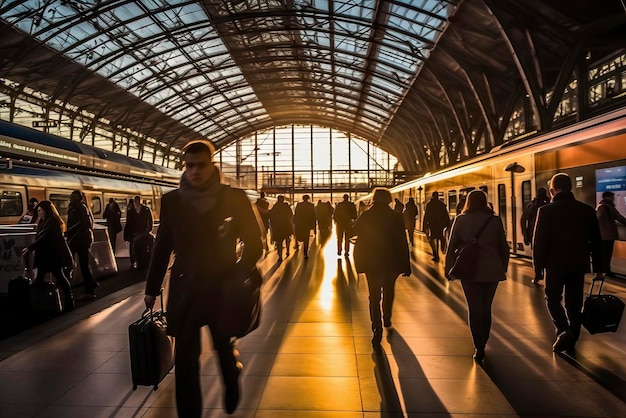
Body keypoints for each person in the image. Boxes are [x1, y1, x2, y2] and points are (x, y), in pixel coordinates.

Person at [144, 140, 263, 417]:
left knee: (222, 345)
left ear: (212, 165)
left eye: (201, 165)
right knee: (186, 361)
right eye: (189, 165)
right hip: (186, 288)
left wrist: (238, 271)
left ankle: (231, 374)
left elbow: (255, 242)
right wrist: (152, 287)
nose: (195, 171)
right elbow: (162, 246)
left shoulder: (234, 198)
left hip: (223, 287)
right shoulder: (172, 201)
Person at [533, 173, 603, 354]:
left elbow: (539, 242)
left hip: (554, 265)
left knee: (552, 298)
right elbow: (596, 241)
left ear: (552, 190)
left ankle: (564, 330)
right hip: (578, 264)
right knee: (574, 303)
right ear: (570, 188)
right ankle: (572, 339)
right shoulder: (586, 210)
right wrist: (600, 268)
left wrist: (538, 268)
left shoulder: (546, 211)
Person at [445, 190, 509, 362]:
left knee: (474, 308)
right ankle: (484, 340)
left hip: (468, 269)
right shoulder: (495, 220)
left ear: (468, 202)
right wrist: (503, 266)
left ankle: (478, 346)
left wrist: (448, 267)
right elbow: (504, 247)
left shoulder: (460, 219)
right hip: (491, 270)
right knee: (486, 307)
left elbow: (451, 247)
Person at [351, 188, 411, 346]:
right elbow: (402, 242)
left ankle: (376, 328)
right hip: (392, 262)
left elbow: (351, 232)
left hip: (371, 262)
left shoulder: (367, 215)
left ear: (374, 199)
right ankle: (387, 318)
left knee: (374, 296)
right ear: (389, 199)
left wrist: (360, 215)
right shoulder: (396, 216)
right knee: (389, 290)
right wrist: (406, 264)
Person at [21, 200, 75, 311]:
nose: (39, 213)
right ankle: (44, 303)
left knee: (58, 277)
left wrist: (30, 248)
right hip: (48, 256)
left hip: (52, 256)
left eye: (40, 210)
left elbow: (44, 237)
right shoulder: (44, 221)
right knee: (52, 278)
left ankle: (67, 301)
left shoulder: (52, 221)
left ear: (46, 210)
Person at [66, 190, 98, 298]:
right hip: (77, 239)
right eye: (71, 196)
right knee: (83, 264)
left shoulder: (80, 208)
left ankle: (89, 290)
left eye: (74, 196)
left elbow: (84, 224)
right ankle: (91, 283)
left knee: (82, 265)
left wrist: (69, 232)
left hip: (80, 240)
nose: (72, 198)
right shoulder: (74, 208)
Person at [521, 187, 551, 283]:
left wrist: (525, 234)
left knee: (537, 255)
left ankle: (538, 274)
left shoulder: (531, 205)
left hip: (534, 234)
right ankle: (547, 273)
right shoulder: (549, 204)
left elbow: (523, 219)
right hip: (548, 234)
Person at [596, 191, 626, 277]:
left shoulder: (600, 206)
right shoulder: (608, 207)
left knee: (604, 254)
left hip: (602, 235)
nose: (613, 199)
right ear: (607, 197)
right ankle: (607, 270)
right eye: (612, 197)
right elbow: (619, 217)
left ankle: (604, 270)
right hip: (608, 235)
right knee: (607, 254)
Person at [124, 195, 154, 269]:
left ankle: (143, 262)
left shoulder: (146, 209)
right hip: (134, 232)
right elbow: (128, 223)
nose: (137, 203)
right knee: (133, 248)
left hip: (143, 232)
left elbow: (150, 221)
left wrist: (149, 229)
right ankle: (133, 262)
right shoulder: (130, 211)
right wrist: (127, 234)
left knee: (142, 247)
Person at [423, 191, 450, 262]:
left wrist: (425, 226)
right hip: (441, 225)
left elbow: (426, 216)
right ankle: (442, 248)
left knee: (431, 239)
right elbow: (445, 214)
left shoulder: (429, 205)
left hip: (432, 225)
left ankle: (435, 253)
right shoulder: (441, 204)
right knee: (441, 237)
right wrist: (448, 224)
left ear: (432, 196)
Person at [269, 195, 294, 262]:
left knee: (279, 242)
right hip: (286, 225)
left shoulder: (275, 206)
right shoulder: (286, 206)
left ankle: (280, 256)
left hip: (278, 226)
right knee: (287, 238)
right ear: (283, 199)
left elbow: (270, 215)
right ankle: (287, 251)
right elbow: (291, 214)